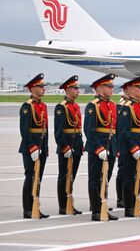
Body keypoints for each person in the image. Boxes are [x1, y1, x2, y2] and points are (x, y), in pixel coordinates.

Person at [84, 73, 118, 221]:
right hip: (98, 148)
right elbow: (89, 130)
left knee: (105, 178)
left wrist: (114, 149)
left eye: (112, 86)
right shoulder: (93, 106)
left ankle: (103, 204)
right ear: (99, 88)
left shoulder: (112, 105)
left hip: (110, 147)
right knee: (95, 179)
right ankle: (96, 210)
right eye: (109, 86)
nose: (112, 89)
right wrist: (99, 149)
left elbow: (114, 130)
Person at [117, 76, 140, 217]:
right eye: (139, 88)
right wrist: (133, 148)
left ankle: (137, 203)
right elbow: (124, 131)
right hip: (129, 148)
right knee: (129, 177)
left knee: (137, 176)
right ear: (130, 89)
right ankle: (129, 206)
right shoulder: (127, 108)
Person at [20, 73, 49, 219]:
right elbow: (24, 131)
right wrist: (32, 148)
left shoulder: (42, 106)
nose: (43, 89)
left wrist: (46, 147)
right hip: (30, 147)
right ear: (32, 88)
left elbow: (45, 129)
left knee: (38, 178)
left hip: (41, 146)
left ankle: (35, 205)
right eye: (40, 86)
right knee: (30, 177)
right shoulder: (27, 106)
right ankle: (27, 208)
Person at [55, 75, 83, 215]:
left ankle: (69, 201)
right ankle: (63, 204)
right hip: (67, 145)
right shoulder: (62, 107)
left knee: (72, 176)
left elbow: (78, 128)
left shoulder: (75, 106)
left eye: (78, 88)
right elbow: (58, 131)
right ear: (67, 89)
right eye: (75, 88)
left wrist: (80, 144)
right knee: (64, 175)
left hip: (76, 144)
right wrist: (64, 146)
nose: (78, 90)